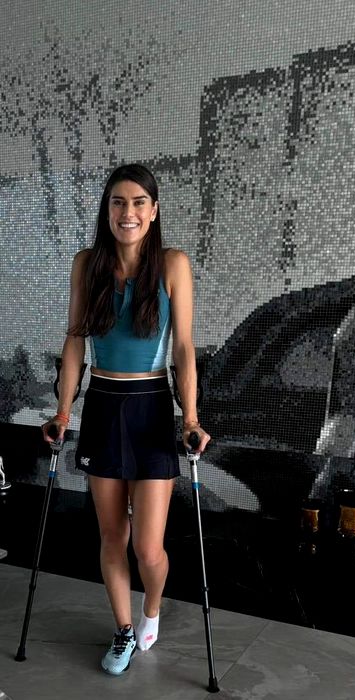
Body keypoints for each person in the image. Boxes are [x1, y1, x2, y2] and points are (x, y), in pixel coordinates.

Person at [42, 163, 210, 675]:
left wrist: (190, 418)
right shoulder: (87, 264)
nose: (128, 212)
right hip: (103, 406)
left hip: (151, 408)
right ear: (107, 210)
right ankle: (123, 632)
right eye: (118, 202)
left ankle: (150, 609)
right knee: (112, 537)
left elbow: (183, 348)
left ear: (154, 211)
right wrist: (64, 410)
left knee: (148, 548)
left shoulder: (173, 265)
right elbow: (75, 342)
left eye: (139, 202)